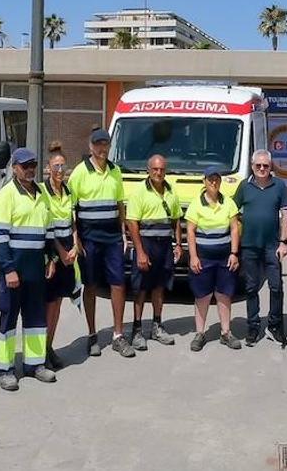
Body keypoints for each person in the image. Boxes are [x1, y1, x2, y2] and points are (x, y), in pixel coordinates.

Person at [0, 148, 57, 390]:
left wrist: (52, 258)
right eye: (24, 165)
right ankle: (5, 369)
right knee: (8, 319)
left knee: (36, 320)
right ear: (14, 168)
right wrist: (8, 269)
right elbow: (0, 237)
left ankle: (34, 364)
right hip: (13, 271)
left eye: (33, 165)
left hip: (36, 271)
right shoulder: (6, 194)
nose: (29, 169)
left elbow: (48, 231)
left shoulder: (41, 193)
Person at [68, 128, 133, 357]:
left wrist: (124, 233)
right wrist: (76, 240)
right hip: (89, 239)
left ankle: (118, 335)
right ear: (90, 147)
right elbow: (71, 210)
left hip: (113, 238)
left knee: (119, 284)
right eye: (98, 144)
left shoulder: (115, 171)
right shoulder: (79, 173)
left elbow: (120, 204)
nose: (102, 148)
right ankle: (92, 334)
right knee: (91, 285)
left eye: (105, 144)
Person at [234, 149, 287, 347]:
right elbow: (233, 212)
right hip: (249, 246)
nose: (261, 169)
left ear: (270, 167)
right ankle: (253, 326)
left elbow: (285, 216)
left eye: (265, 165)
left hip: (272, 246)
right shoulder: (244, 186)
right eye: (258, 165)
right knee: (251, 288)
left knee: (276, 287)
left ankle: (275, 325)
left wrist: (284, 242)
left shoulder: (280, 186)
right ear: (252, 166)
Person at [125, 153, 182, 349]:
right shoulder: (139, 192)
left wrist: (179, 245)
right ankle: (137, 330)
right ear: (148, 170)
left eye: (162, 169)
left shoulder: (170, 190)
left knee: (160, 286)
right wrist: (140, 252)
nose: (159, 173)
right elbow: (132, 222)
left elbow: (176, 219)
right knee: (141, 288)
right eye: (155, 169)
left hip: (164, 246)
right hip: (146, 244)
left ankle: (157, 326)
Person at [185, 167, 243, 351]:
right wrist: (193, 256)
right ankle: (200, 333)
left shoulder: (228, 203)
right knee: (202, 295)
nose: (214, 183)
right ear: (204, 181)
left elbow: (234, 228)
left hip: (225, 257)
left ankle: (226, 333)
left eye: (217, 179)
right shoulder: (196, 204)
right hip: (203, 258)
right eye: (210, 179)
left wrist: (234, 253)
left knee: (224, 294)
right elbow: (190, 231)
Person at [40, 142, 79, 369]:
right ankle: (40, 349)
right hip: (52, 255)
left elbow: (72, 224)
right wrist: (61, 253)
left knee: (58, 304)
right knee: (47, 303)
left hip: (68, 254)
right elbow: (49, 228)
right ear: (48, 168)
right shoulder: (42, 191)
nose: (60, 170)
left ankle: (49, 346)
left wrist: (74, 247)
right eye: (56, 166)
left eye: (63, 166)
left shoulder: (68, 191)